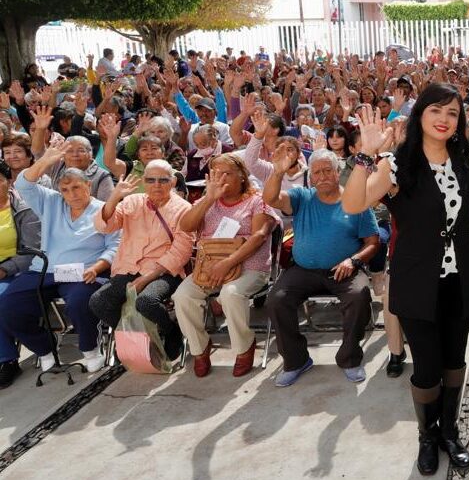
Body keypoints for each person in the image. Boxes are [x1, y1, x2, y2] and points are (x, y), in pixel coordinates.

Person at [343, 86, 469, 476]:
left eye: (453, 113)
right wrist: (365, 156)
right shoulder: (396, 164)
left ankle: (450, 432)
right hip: (417, 281)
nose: (444, 118)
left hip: (461, 279)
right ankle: (427, 435)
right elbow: (354, 204)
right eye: (436, 109)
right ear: (420, 114)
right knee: (427, 367)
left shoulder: (464, 161)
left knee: (455, 361)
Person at [262, 148, 380, 387]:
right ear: (311, 177)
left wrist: (353, 260)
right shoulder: (301, 197)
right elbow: (271, 199)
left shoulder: (356, 200)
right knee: (276, 300)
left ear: (338, 173)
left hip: (344, 269)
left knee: (359, 296)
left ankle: (349, 359)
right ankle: (296, 361)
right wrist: (277, 173)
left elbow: (373, 242)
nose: (323, 176)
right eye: (317, 172)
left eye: (328, 170)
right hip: (303, 270)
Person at [1, 146, 119, 378]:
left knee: (79, 301)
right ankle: (44, 348)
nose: (72, 193)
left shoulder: (104, 209)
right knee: (8, 305)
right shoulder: (52, 202)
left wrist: (98, 267)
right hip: (44, 270)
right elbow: (24, 185)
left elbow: (115, 245)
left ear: (88, 186)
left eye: (76, 187)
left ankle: (90, 348)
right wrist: (44, 161)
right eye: (65, 189)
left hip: (84, 272)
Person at [173, 154, 279, 378]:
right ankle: (200, 348)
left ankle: (244, 347)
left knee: (231, 294)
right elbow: (186, 226)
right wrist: (209, 199)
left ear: (242, 176)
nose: (221, 178)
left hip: (250, 267)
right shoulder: (207, 200)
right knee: (182, 295)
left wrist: (228, 263)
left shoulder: (257, 201)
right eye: (216, 173)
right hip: (209, 268)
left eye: (227, 173)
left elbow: (260, 235)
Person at [90, 160, 194, 362]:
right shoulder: (132, 201)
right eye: (150, 180)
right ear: (144, 182)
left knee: (146, 302)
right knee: (99, 301)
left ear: (173, 182)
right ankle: (134, 336)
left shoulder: (183, 209)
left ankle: (171, 330)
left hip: (163, 272)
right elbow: (104, 226)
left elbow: (181, 251)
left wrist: (148, 278)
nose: (156, 185)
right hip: (128, 268)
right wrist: (115, 197)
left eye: (163, 180)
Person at [0, 160, 42, 388]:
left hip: (17, 269)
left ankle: (7, 360)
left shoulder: (25, 209)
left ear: (9, 181)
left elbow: (32, 251)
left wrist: (5, 269)